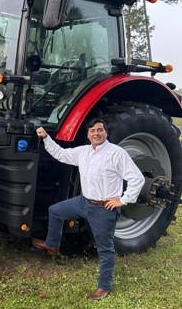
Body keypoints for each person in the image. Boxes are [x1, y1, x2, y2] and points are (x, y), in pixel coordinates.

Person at [32, 119, 145, 301]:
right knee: (55, 211)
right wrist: (46, 137)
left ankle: (104, 287)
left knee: (105, 249)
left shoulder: (117, 153)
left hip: (103, 209)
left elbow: (137, 178)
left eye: (100, 130)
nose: (96, 134)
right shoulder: (83, 152)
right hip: (84, 202)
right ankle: (52, 245)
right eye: (92, 131)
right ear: (88, 134)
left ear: (105, 132)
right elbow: (60, 154)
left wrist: (122, 200)